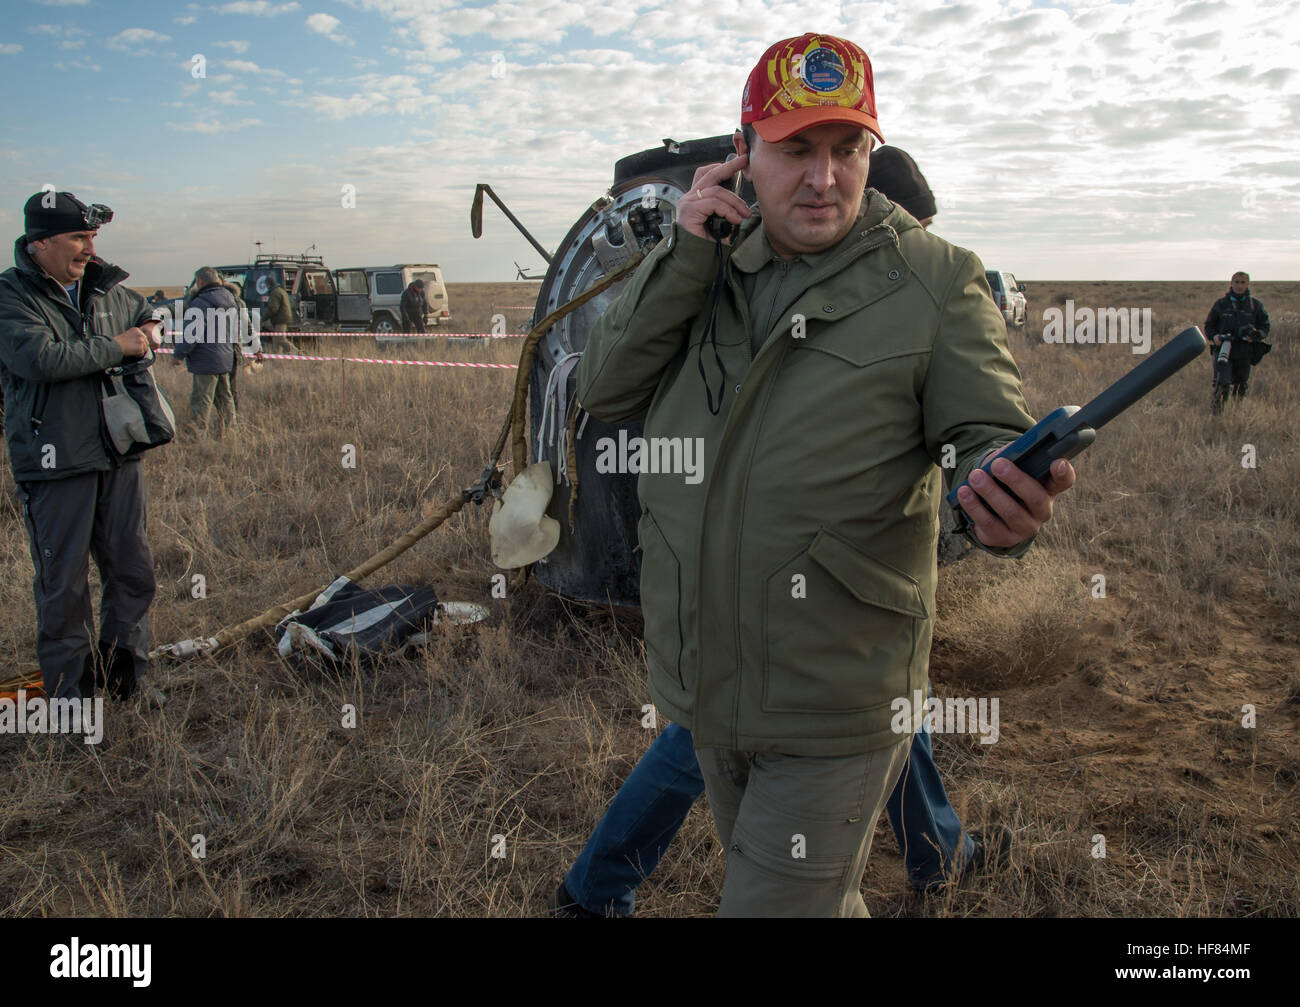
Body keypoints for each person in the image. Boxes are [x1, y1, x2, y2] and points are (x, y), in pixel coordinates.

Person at [573, 33, 1076, 918]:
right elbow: (605, 385)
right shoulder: (710, 263)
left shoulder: (933, 281)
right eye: (796, 149)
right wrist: (683, 254)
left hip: (836, 700)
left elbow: (984, 430)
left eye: (848, 151)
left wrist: (1001, 482)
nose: (824, 178)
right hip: (711, 688)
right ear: (744, 153)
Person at [0, 191, 163, 703]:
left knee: (133, 574)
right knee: (65, 590)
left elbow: (143, 309)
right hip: (55, 463)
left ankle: (124, 684)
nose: (89, 248)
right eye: (78, 237)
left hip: (117, 454)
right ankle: (72, 702)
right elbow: (41, 359)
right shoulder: (11, 296)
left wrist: (151, 327)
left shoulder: (106, 288)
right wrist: (119, 346)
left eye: (93, 237)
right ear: (40, 243)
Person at [173, 266, 237, 437]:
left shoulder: (200, 302)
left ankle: (197, 435)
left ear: (200, 281)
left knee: (202, 399)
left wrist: (179, 354)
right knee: (225, 398)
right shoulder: (229, 298)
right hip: (225, 357)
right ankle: (230, 431)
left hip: (206, 359)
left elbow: (192, 334)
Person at [1205, 271, 1270, 414]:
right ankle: (1217, 415)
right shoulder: (1221, 304)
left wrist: (1256, 335)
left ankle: (1236, 413)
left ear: (1248, 284)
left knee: (1241, 385)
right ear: (1231, 283)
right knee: (1222, 383)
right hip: (1224, 350)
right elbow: (1209, 326)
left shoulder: (1255, 305)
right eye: (1237, 282)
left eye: (1243, 282)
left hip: (1245, 351)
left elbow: (1265, 326)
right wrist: (1214, 336)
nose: (1239, 286)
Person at [222, 279, 262, 413]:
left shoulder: (210, 300)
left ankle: (227, 418)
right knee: (231, 387)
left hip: (215, 353)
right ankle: (233, 418)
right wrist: (257, 349)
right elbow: (247, 327)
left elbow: (247, 327)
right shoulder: (239, 302)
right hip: (232, 352)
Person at [263, 275, 293, 351]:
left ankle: (298, 353)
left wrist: (263, 318)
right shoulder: (280, 290)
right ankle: (277, 359)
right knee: (276, 341)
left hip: (281, 319)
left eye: (266, 284)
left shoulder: (275, 293)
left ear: (268, 284)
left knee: (280, 339)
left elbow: (273, 308)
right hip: (282, 318)